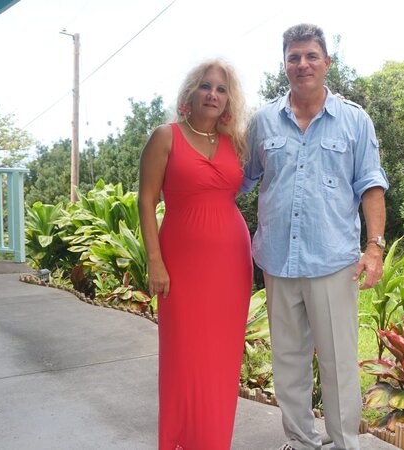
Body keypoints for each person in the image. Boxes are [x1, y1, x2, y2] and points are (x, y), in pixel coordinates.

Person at [241, 24, 389, 450]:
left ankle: (345, 443)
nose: (302, 64)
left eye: (310, 56)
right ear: (284, 64)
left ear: (327, 62)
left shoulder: (354, 120)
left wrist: (374, 248)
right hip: (278, 261)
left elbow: (371, 185)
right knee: (287, 360)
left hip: (332, 261)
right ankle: (301, 441)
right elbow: (243, 178)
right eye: (293, 57)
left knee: (339, 362)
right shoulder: (264, 120)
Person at [138, 59, 252, 450]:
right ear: (191, 93)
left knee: (221, 357)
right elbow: (146, 200)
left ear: (228, 100)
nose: (213, 94)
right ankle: (178, 439)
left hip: (231, 262)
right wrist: (155, 261)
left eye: (221, 89)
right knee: (182, 353)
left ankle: (213, 441)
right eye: (206, 86)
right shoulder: (165, 137)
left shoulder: (235, 142)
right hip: (181, 262)